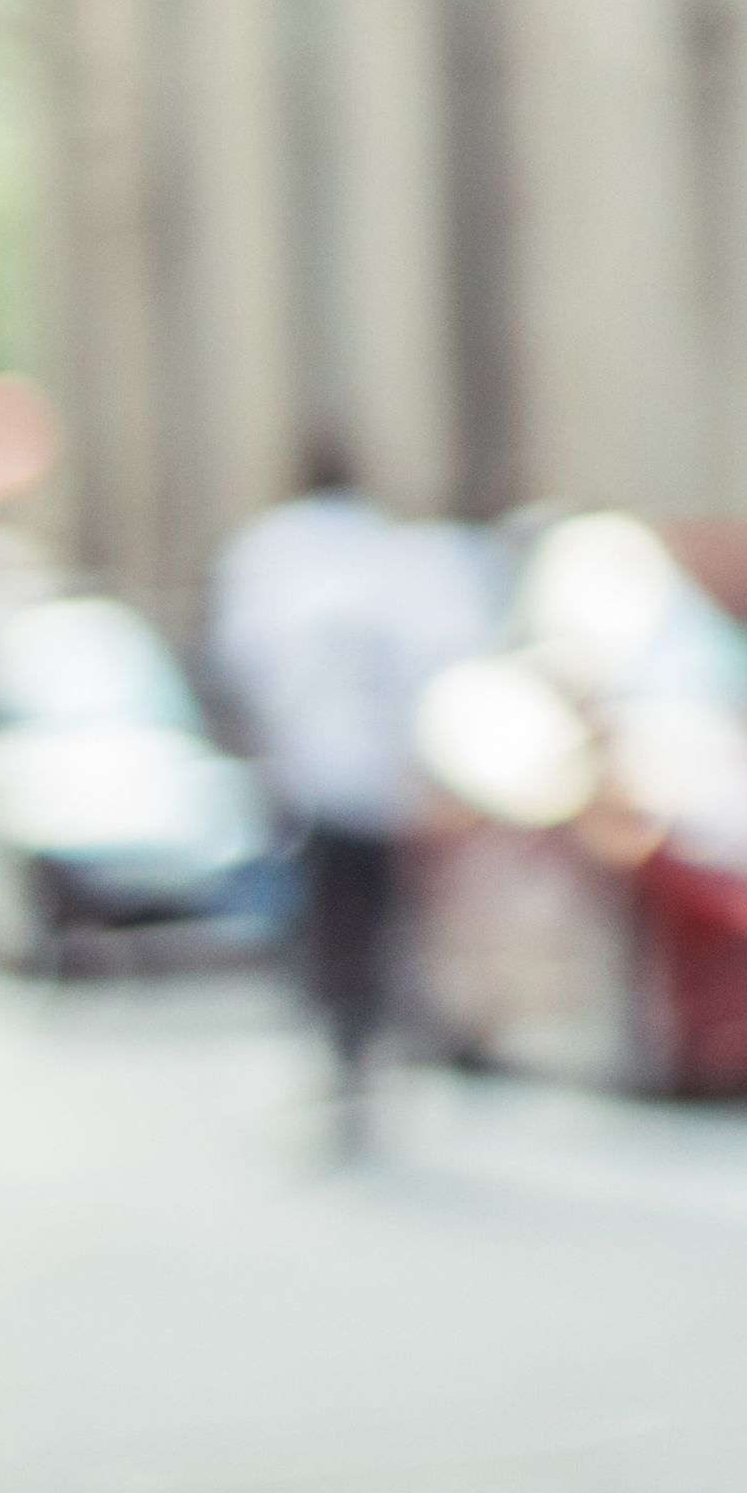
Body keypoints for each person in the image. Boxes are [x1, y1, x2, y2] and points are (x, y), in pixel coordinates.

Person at [204, 430, 486, 1156]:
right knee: (384, 917)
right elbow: (444, 658)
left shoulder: (272, 553)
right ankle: (378, 1040)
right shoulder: (397, 555)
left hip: (313, 777)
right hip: (386, 778)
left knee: (328, 921)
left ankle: (347, 1043)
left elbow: (247, 661)